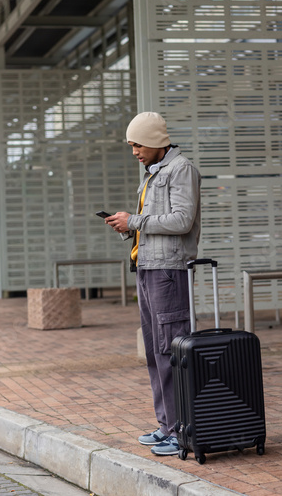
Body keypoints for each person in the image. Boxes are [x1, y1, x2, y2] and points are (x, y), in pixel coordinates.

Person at [105, 112, 201, 456]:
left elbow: (181, 219)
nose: (134, 151)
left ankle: (182, 430)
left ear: (158, 142)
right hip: (147, 268)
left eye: (138, 144)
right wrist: (128, 228)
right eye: (131, 145)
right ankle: (167, 425)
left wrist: (136, 220)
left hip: (169, 273)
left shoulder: (181, 170)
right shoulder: (152, 174)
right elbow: (155, 223)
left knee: (170, 351)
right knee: (152, 352)